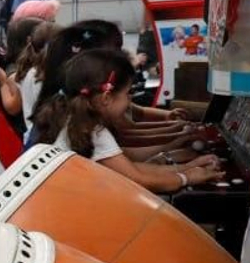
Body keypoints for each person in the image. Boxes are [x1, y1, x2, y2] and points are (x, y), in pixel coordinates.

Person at [30, 49, 222, 193]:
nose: (130, 101)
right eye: (127, 94)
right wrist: (186, 177)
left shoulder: (77, 123)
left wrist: (188, 166)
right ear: (106, 98)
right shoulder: (92, 132)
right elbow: (138, 179)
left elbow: (130, 167)